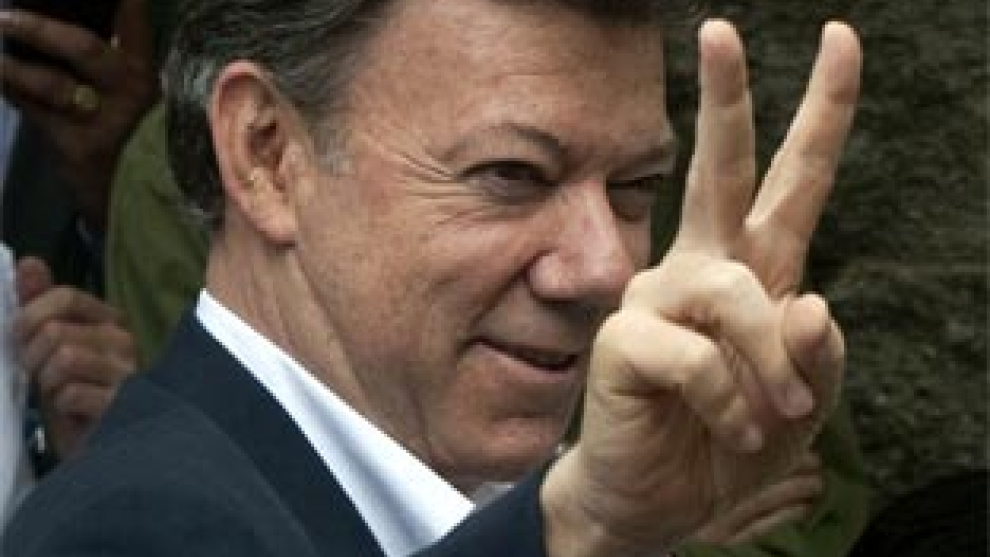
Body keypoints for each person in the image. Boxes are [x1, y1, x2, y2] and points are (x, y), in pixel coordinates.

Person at [4, 0, 862, 555]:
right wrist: (577, 531)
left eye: (635, 188)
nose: (604, 269)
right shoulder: (133, 530)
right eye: (511, 175)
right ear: (267, 154)